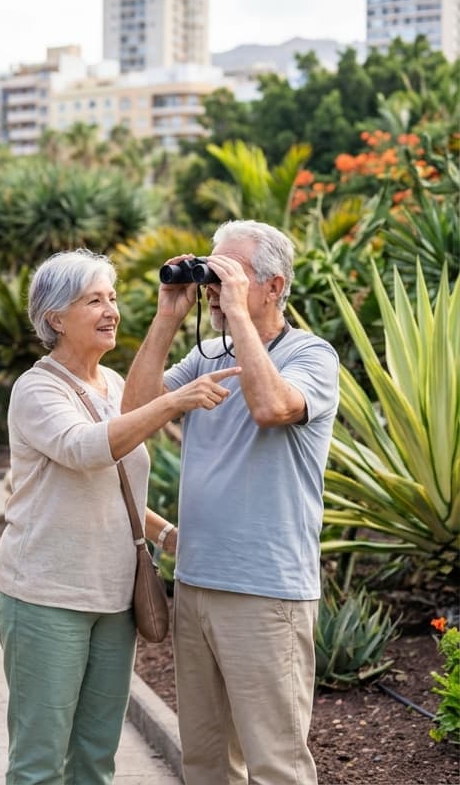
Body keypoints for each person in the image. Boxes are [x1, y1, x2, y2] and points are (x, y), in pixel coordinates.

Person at [0, 249, 241, 785]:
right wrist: (172, 404)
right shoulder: (38, 389)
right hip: (46, 595)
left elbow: (115, 482)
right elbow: (85, 450)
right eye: (93, 301)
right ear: (55, 318)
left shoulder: (113, 385)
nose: (110, 310)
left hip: (115, 597)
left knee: (96, 756)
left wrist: (164, 532)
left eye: (112, 298)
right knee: (40, 762)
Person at [122, 220, 340, 784]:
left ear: (273, 286)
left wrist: (238, 314)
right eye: (212, 272)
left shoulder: (310, 356)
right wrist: (169, 314)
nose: (215, 285)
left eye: (231, 273)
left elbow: (271, 407)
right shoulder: (205, 354)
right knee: (206, 763)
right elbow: (134, 413)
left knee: (276, 765)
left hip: (266, 591)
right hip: (197, 584)